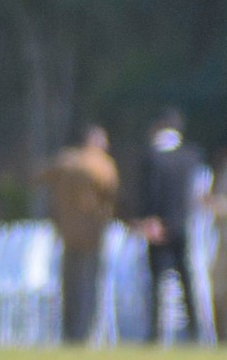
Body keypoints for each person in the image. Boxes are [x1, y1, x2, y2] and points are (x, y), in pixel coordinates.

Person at [39, 125, 119, 344]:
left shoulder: (67, 161)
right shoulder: (102, 165)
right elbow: (111, 193)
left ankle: (69, 331)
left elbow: (42, 175)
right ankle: (83, 333)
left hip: (67, 232)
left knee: (69, 285)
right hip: (92, 233)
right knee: (88, 285)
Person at [135, 108, 206, 343]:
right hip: (182, 224)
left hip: (159, 225)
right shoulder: (191, 156)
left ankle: (155, 332)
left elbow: (150, 192)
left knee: (157, 281)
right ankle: (194, 329)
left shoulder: (153, 158)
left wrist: (149, 219)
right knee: (186, 280)